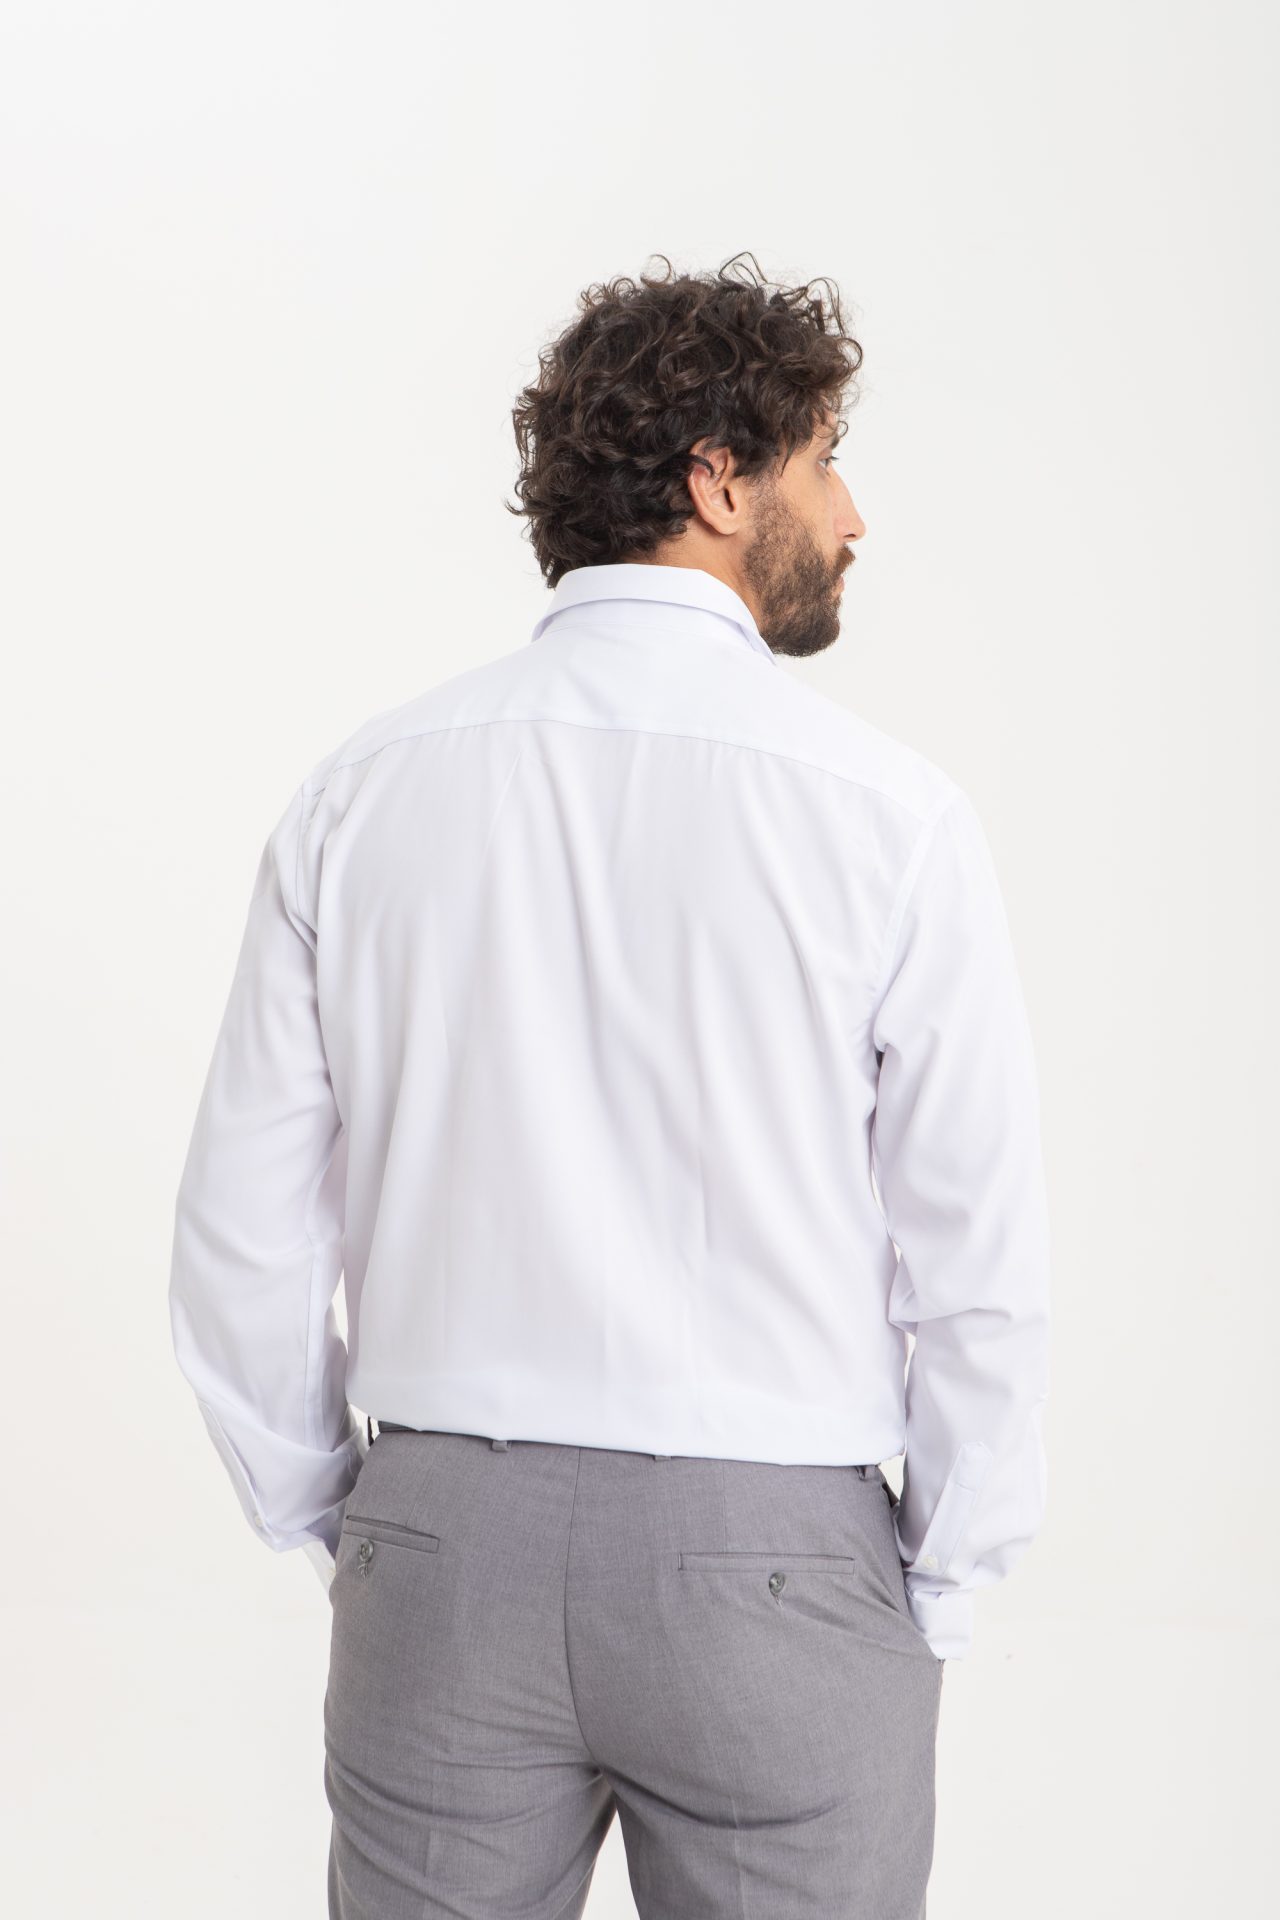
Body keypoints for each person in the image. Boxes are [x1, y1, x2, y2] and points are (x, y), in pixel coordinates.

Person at [169, 251, 1051, 1919]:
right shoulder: (889, 818)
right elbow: (975, 1259)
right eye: (824, 460)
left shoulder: (363, 793)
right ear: (720, 480)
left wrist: (360, 1524)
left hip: (441, 1542)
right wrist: (941, 1579)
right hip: (779, 1564)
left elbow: (241, 1238)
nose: (852, 514)